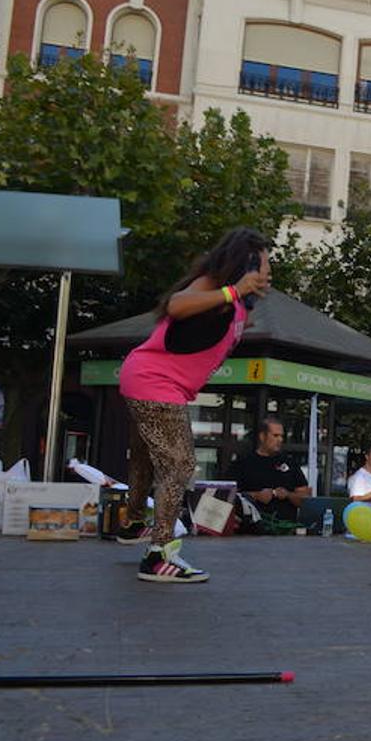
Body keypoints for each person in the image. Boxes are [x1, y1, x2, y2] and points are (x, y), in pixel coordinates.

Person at [115, 228, 271, 582]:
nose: (269, 270)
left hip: (147, 379)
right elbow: (176, 305)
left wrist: (244, 298)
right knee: (179, 466)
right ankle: (159, 556)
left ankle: (133, 523)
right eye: (264, 263)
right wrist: (235, 290)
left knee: (145, 456)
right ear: (245, 264)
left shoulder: (237, 303)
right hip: (155, 382)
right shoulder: (213, 284)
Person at [231, 417, 312, 525]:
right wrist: (256, 495)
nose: (280, 440)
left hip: (285, 530)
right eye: (275, 436)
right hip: (250, 530)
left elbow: (305, 500)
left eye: (281, 436)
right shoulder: (243, 463)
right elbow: (230, 496)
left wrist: (288, 495)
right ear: (262, 436)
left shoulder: (290, 463)